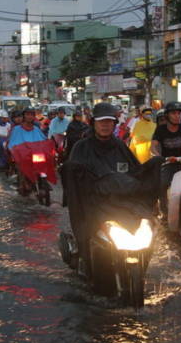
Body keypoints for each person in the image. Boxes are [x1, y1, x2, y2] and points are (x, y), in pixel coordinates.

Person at [62, 102, 162, 267]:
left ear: (114, 124)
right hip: (93, 204)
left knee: (147, 225)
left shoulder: (120, 146)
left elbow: (136, 172)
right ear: (93, 123)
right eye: (101, 121)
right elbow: (73, 178)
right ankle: (83, 256)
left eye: (109, 121)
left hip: (122, 203)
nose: (105, 125)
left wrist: (154, 164)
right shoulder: (82, 147)